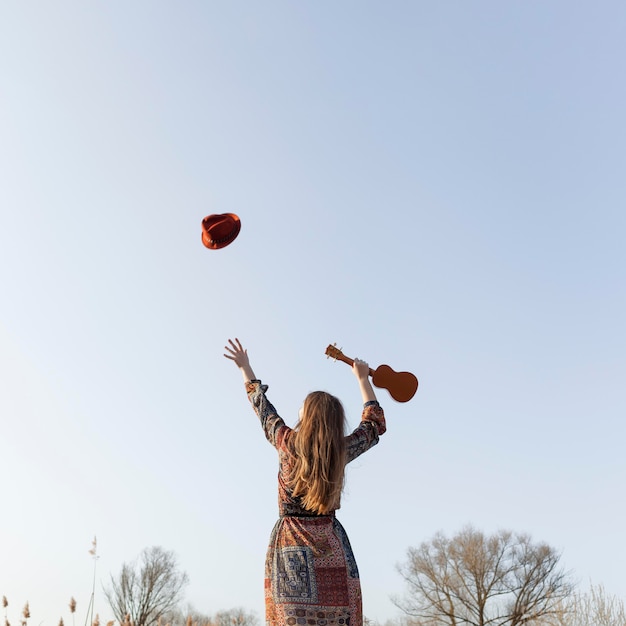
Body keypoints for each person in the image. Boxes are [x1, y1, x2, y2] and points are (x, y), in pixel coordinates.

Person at [224, 338, 386, 626]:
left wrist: (245, 368)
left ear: (307, 417)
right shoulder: (340, 451)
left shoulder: (286, 442)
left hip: (290, 549)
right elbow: (373, 426)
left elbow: (261, 406)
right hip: (331, 546)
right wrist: (362, 379)